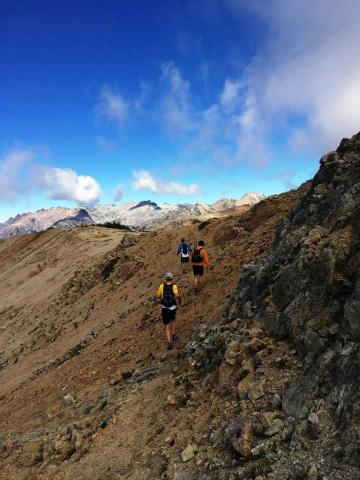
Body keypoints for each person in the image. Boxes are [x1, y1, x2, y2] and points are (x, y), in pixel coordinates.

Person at [156, 272, 181, 349]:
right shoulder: (174, 286)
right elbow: (177, 295)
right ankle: (173, 335)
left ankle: (169, 342)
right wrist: (179, 301)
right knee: (173, 320)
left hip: (165, 308)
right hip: (173, 308)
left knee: (167, 325)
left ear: (165, 278)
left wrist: (161, 301)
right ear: (172, 278)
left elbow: (157, 296)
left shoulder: (161, 286)